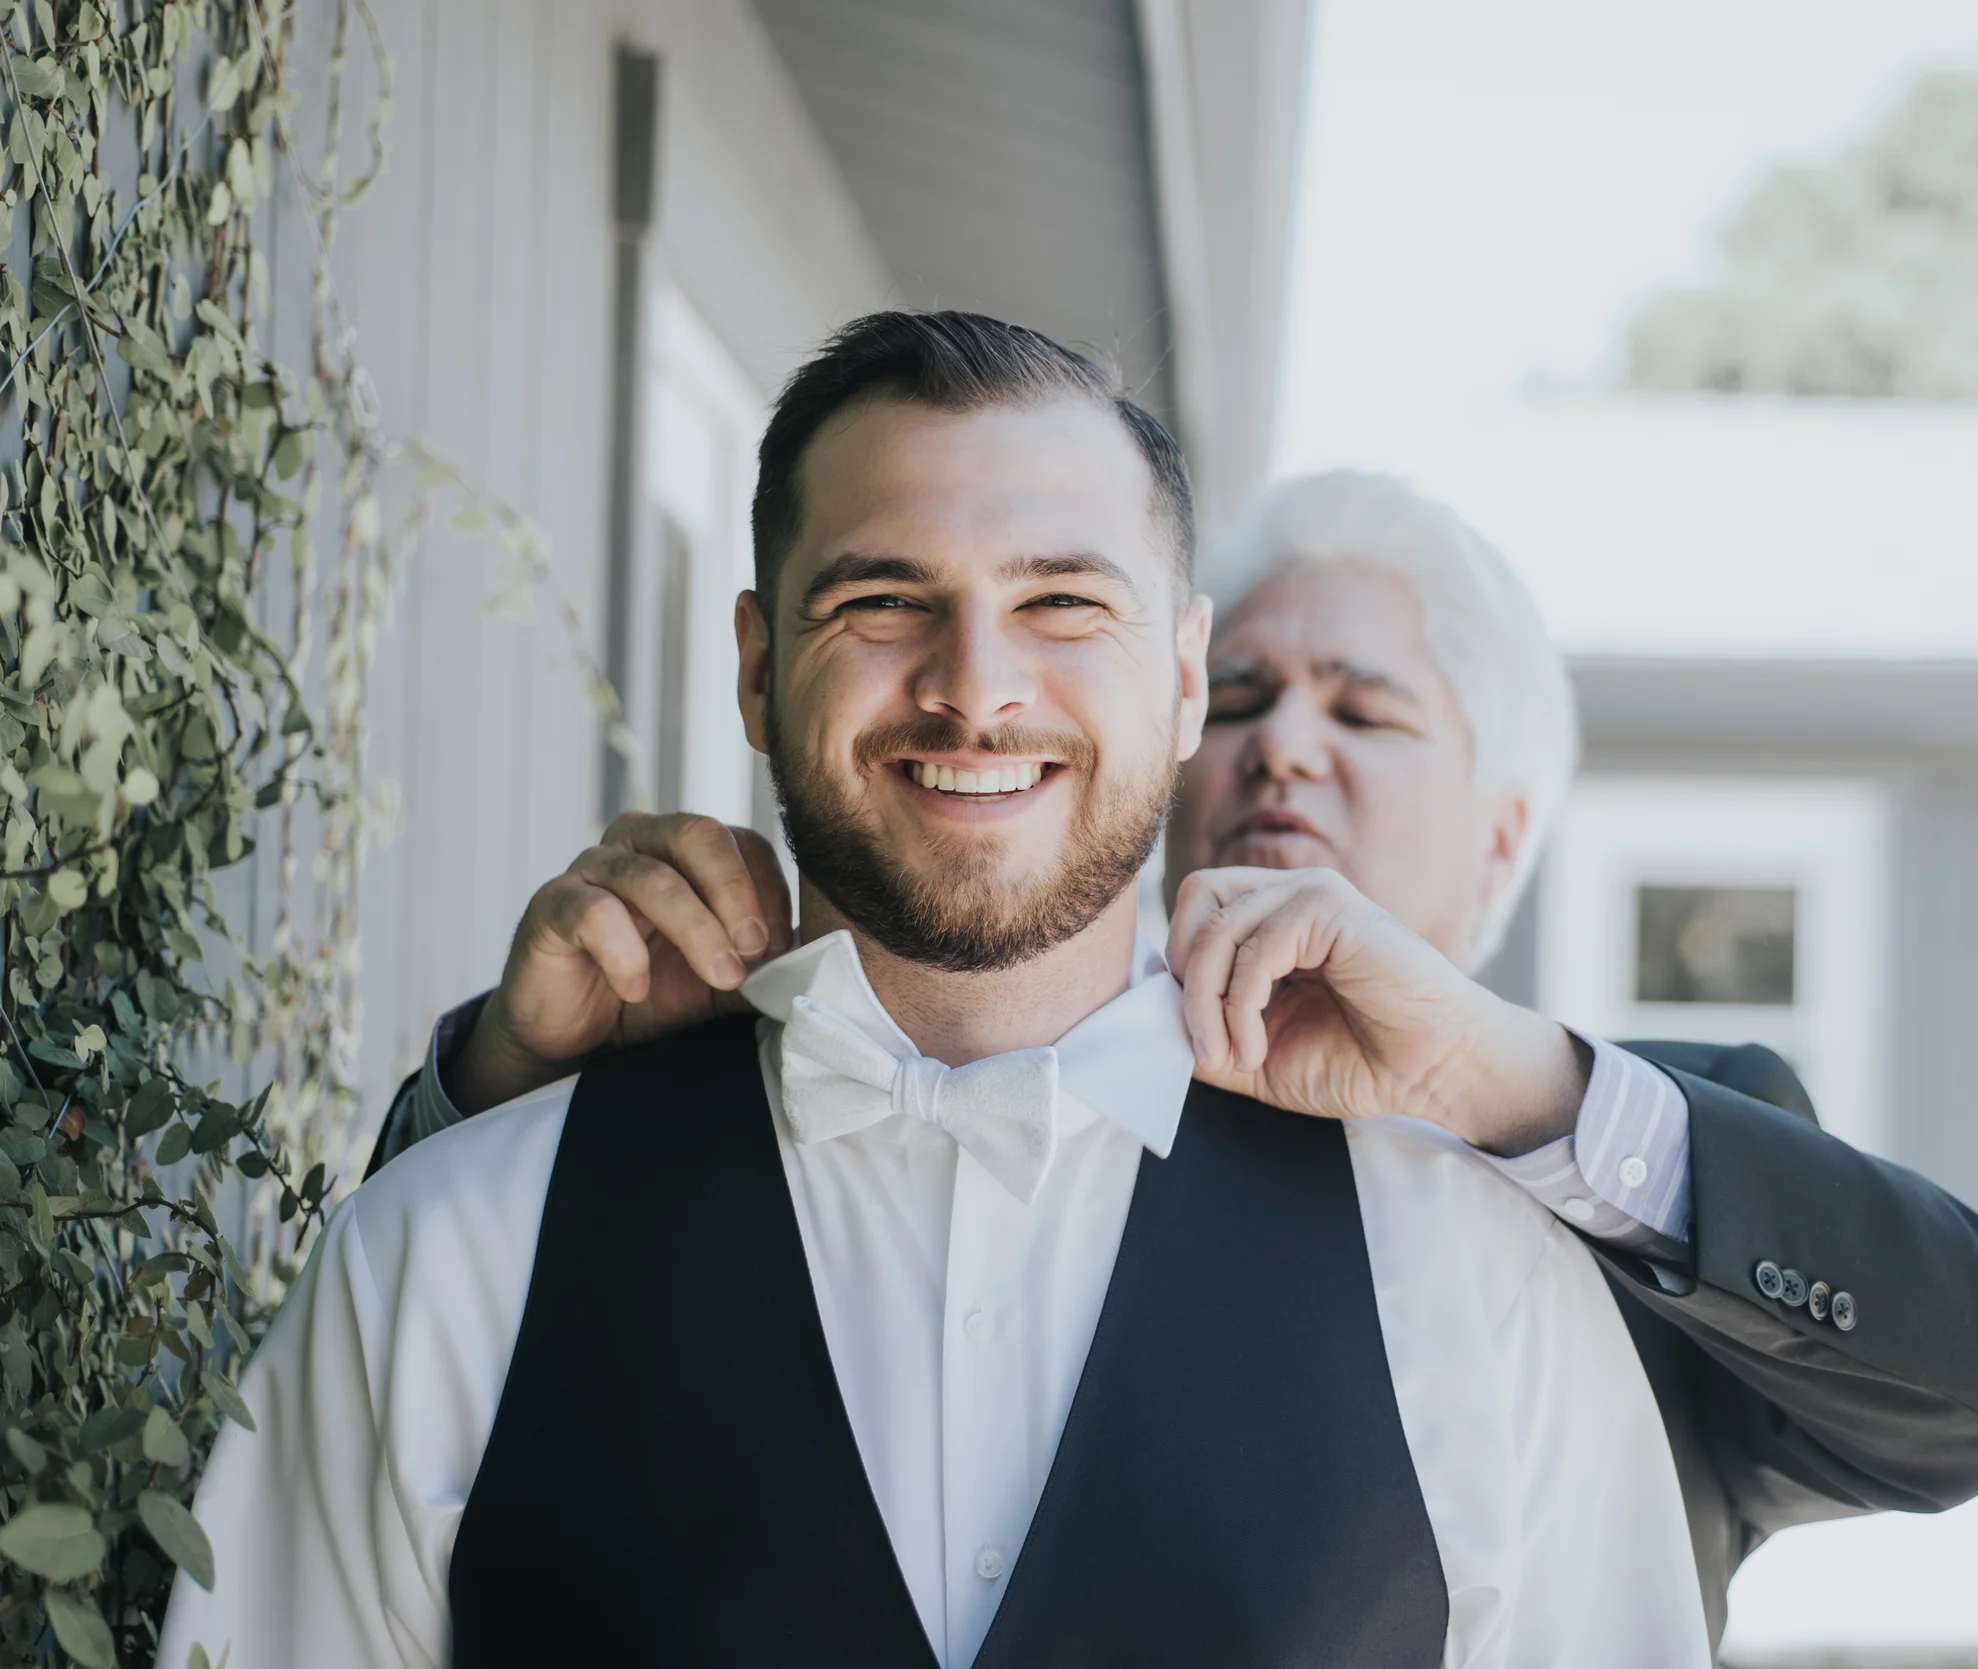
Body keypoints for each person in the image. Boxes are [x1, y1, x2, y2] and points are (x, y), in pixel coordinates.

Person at [166, 312, 1724, 1668]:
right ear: (758, 669)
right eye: (881, 601)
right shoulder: (450, 1249)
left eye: (1063, 603)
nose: (976, 684)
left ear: (1184, 678)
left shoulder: (1478, 1279)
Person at [356, 465, 1978, 1650]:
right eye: (1237, 698)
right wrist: (504, 1100)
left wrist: (1517, 1096)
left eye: (1366, 708)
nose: (1282, 752)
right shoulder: (863, 1082)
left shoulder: (1634, 1149)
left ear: (1505, 832)